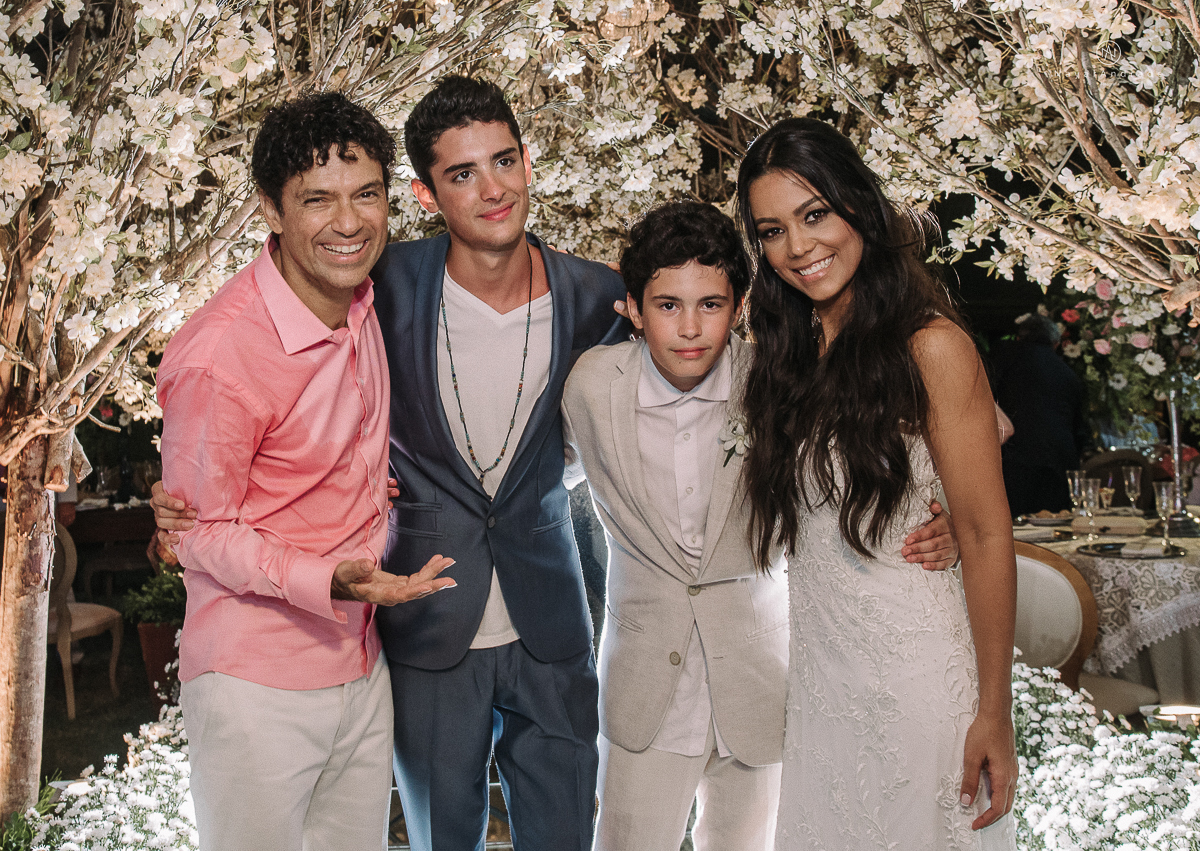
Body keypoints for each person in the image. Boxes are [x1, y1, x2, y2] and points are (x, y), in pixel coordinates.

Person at [152, 77, 958, 851]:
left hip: (552, 617)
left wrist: (947, 497)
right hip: (422, 617)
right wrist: (187, 504)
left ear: (529, 160)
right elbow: (258, 385)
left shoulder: (602, 297)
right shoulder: (379, 283)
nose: (493, 188)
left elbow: (711, 393)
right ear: (427, 197)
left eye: (505, 161)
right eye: (462, 174)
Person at [564, 201, 959, 851]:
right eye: (667, 305)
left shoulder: (777, 383)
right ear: (631, 308)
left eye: (711, 304)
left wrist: (939, 514)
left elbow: (868, 460)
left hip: (759, 680)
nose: (690, 328)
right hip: (642, 690)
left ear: (741, 304)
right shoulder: (587, 384)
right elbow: (538, 474)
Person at [155, 92, 455, 851]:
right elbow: (198, 534)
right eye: (317, 200)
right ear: (272, 208)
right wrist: (329, 578)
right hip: (255, 679)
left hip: (360, 664)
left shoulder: (364, 305)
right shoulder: (221, 353)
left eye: (366, 195)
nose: (349, 223)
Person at [735, 117, 1019, 849]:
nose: (798, 247)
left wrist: (995, 710)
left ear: (858, 205)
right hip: (825, 690)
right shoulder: (787, 355)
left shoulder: (931, 344)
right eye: (771, 230)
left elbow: (989, 530)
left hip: (918, 685)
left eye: (814, 214)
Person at [990, 313, 1087, 516]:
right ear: (1055, 343)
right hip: (1059, 459)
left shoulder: (1003, 358)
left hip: (1015, 458)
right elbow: (1080, 428)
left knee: (1017, 530)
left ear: (1020, 337)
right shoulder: (1068, 373)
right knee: (1056, 528)